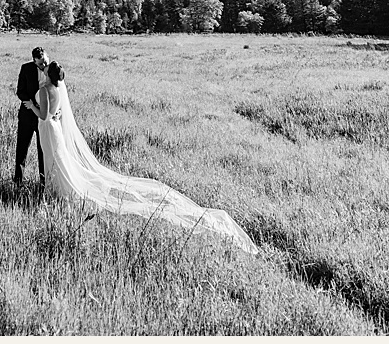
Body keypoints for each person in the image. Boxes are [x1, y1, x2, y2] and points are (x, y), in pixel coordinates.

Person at [23, 47, 261, 253]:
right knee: (58, 160)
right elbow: (56, 111)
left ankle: (59, 193)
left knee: (55, 160)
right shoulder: (57, 88)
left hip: (48, 127)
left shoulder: (44, 90)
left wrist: (31, 106)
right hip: (54, 127)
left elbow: (43, 114)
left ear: (46, 71)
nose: (41, 67)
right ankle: (56, 191)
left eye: (44, 65)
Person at [14, 47, 60, 185]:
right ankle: (18, 181)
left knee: (43, 151)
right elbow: (20, 91)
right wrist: (33, 104)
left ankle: (43, 181)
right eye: (40, 64)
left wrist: (54, 110)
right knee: (22, 149)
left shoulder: (53, 70)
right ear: (34, 61)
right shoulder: (26, 68)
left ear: (47, 56)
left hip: (44, 120)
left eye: (45, 61)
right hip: (27, 116)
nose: (44, 65)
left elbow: (57, 93)